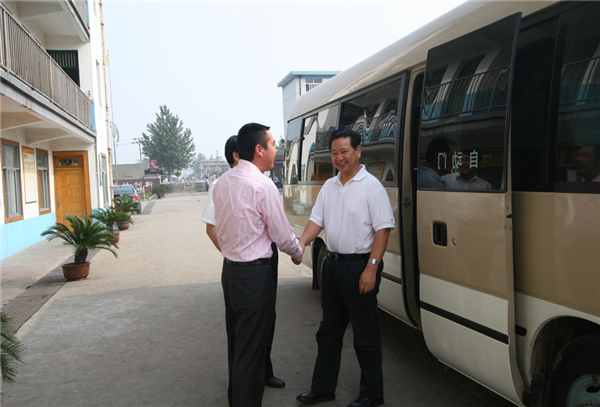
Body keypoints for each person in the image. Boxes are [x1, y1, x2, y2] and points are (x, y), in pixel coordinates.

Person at [296, 129, 395, 407]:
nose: (339, 158)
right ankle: (322, 389)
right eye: (334, 153)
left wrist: (371, 268)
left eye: (344, 151)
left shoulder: (371, 187)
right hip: (332, 266)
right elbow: (316, 221)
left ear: (358, 151)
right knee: (328, 331)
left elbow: (383, 229)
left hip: (359, 267)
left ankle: (372, 394)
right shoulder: (329, 186)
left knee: (365, 335)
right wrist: (301, 243)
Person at [213, 123, 303, 407]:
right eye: (273, 144)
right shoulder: (263, 186)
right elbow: (282, 234)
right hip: (255, 274)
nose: (276, 149)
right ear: (259, 149)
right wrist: (297, 252)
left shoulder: (222, 182)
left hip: (231, 271)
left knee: (238, 340)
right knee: (252, 348)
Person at [200, 135, 286, 389]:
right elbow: (211, 228)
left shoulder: (261, 182)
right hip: (245, 264)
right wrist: (234, 254)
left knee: (266, 317)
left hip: (266, 257)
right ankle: (244, 382)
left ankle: (263, 370)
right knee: (243, 328)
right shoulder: (221, 184)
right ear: (238, 155)